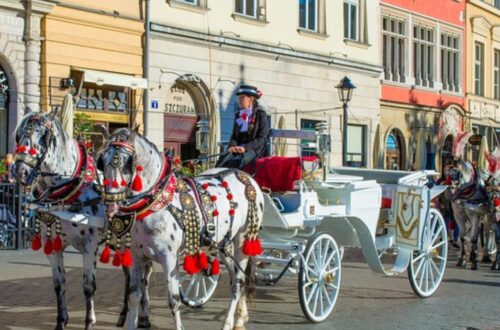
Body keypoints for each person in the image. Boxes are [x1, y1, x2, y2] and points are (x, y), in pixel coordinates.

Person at [216, 84, 269, 169]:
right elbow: (234, 136)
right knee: (223, 158)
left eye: (242, 97)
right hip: (238, 147)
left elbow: (262, 138)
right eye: (239, 97)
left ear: (251, 99)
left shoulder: (260, 114)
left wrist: (245, 148)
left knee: (238, 161)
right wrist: (232, 147)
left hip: (254, 149)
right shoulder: (238, 115)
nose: (239, 100)